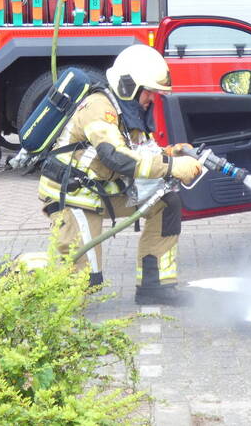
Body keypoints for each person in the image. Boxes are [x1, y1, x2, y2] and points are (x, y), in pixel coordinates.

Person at [37, 45, 202, 306]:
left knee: (166, 203)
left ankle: (155, 287)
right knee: (83, 284)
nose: (151, 99)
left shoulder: (128, 111)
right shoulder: (99, 107)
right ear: (129, 85)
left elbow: (140, 152)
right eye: (149, 91)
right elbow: (116, 157)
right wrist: (172, 167)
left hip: (100, 191)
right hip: (73, 197)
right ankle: (17, 278)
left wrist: (171, 153)